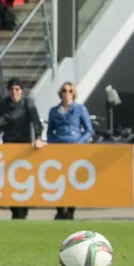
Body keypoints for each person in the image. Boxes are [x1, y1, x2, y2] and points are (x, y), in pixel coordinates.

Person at [0, 78, 44, 220]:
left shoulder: (27, 103)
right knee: (10, 181)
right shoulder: (4, 104)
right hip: (8, 145)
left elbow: (35, 120)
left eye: (17, 89)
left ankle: (23, 210)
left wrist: (38, 137)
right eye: (12, 89)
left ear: (21, 91)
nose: (14, 92)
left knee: (23, 179)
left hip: (24, 145)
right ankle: (14, 210)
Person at [46, 82, 94, 221]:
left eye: (70, 91)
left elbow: (89, 130)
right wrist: (52, 143)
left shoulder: (80, 109)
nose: (67, 94)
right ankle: (60, 209)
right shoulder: (54, 111)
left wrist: (79, 142)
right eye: (64, 91)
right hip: (59, 147)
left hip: (74, 147)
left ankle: (71, 209)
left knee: (73, 179)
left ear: (73, 93)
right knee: (57, 178)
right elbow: (50, 131)